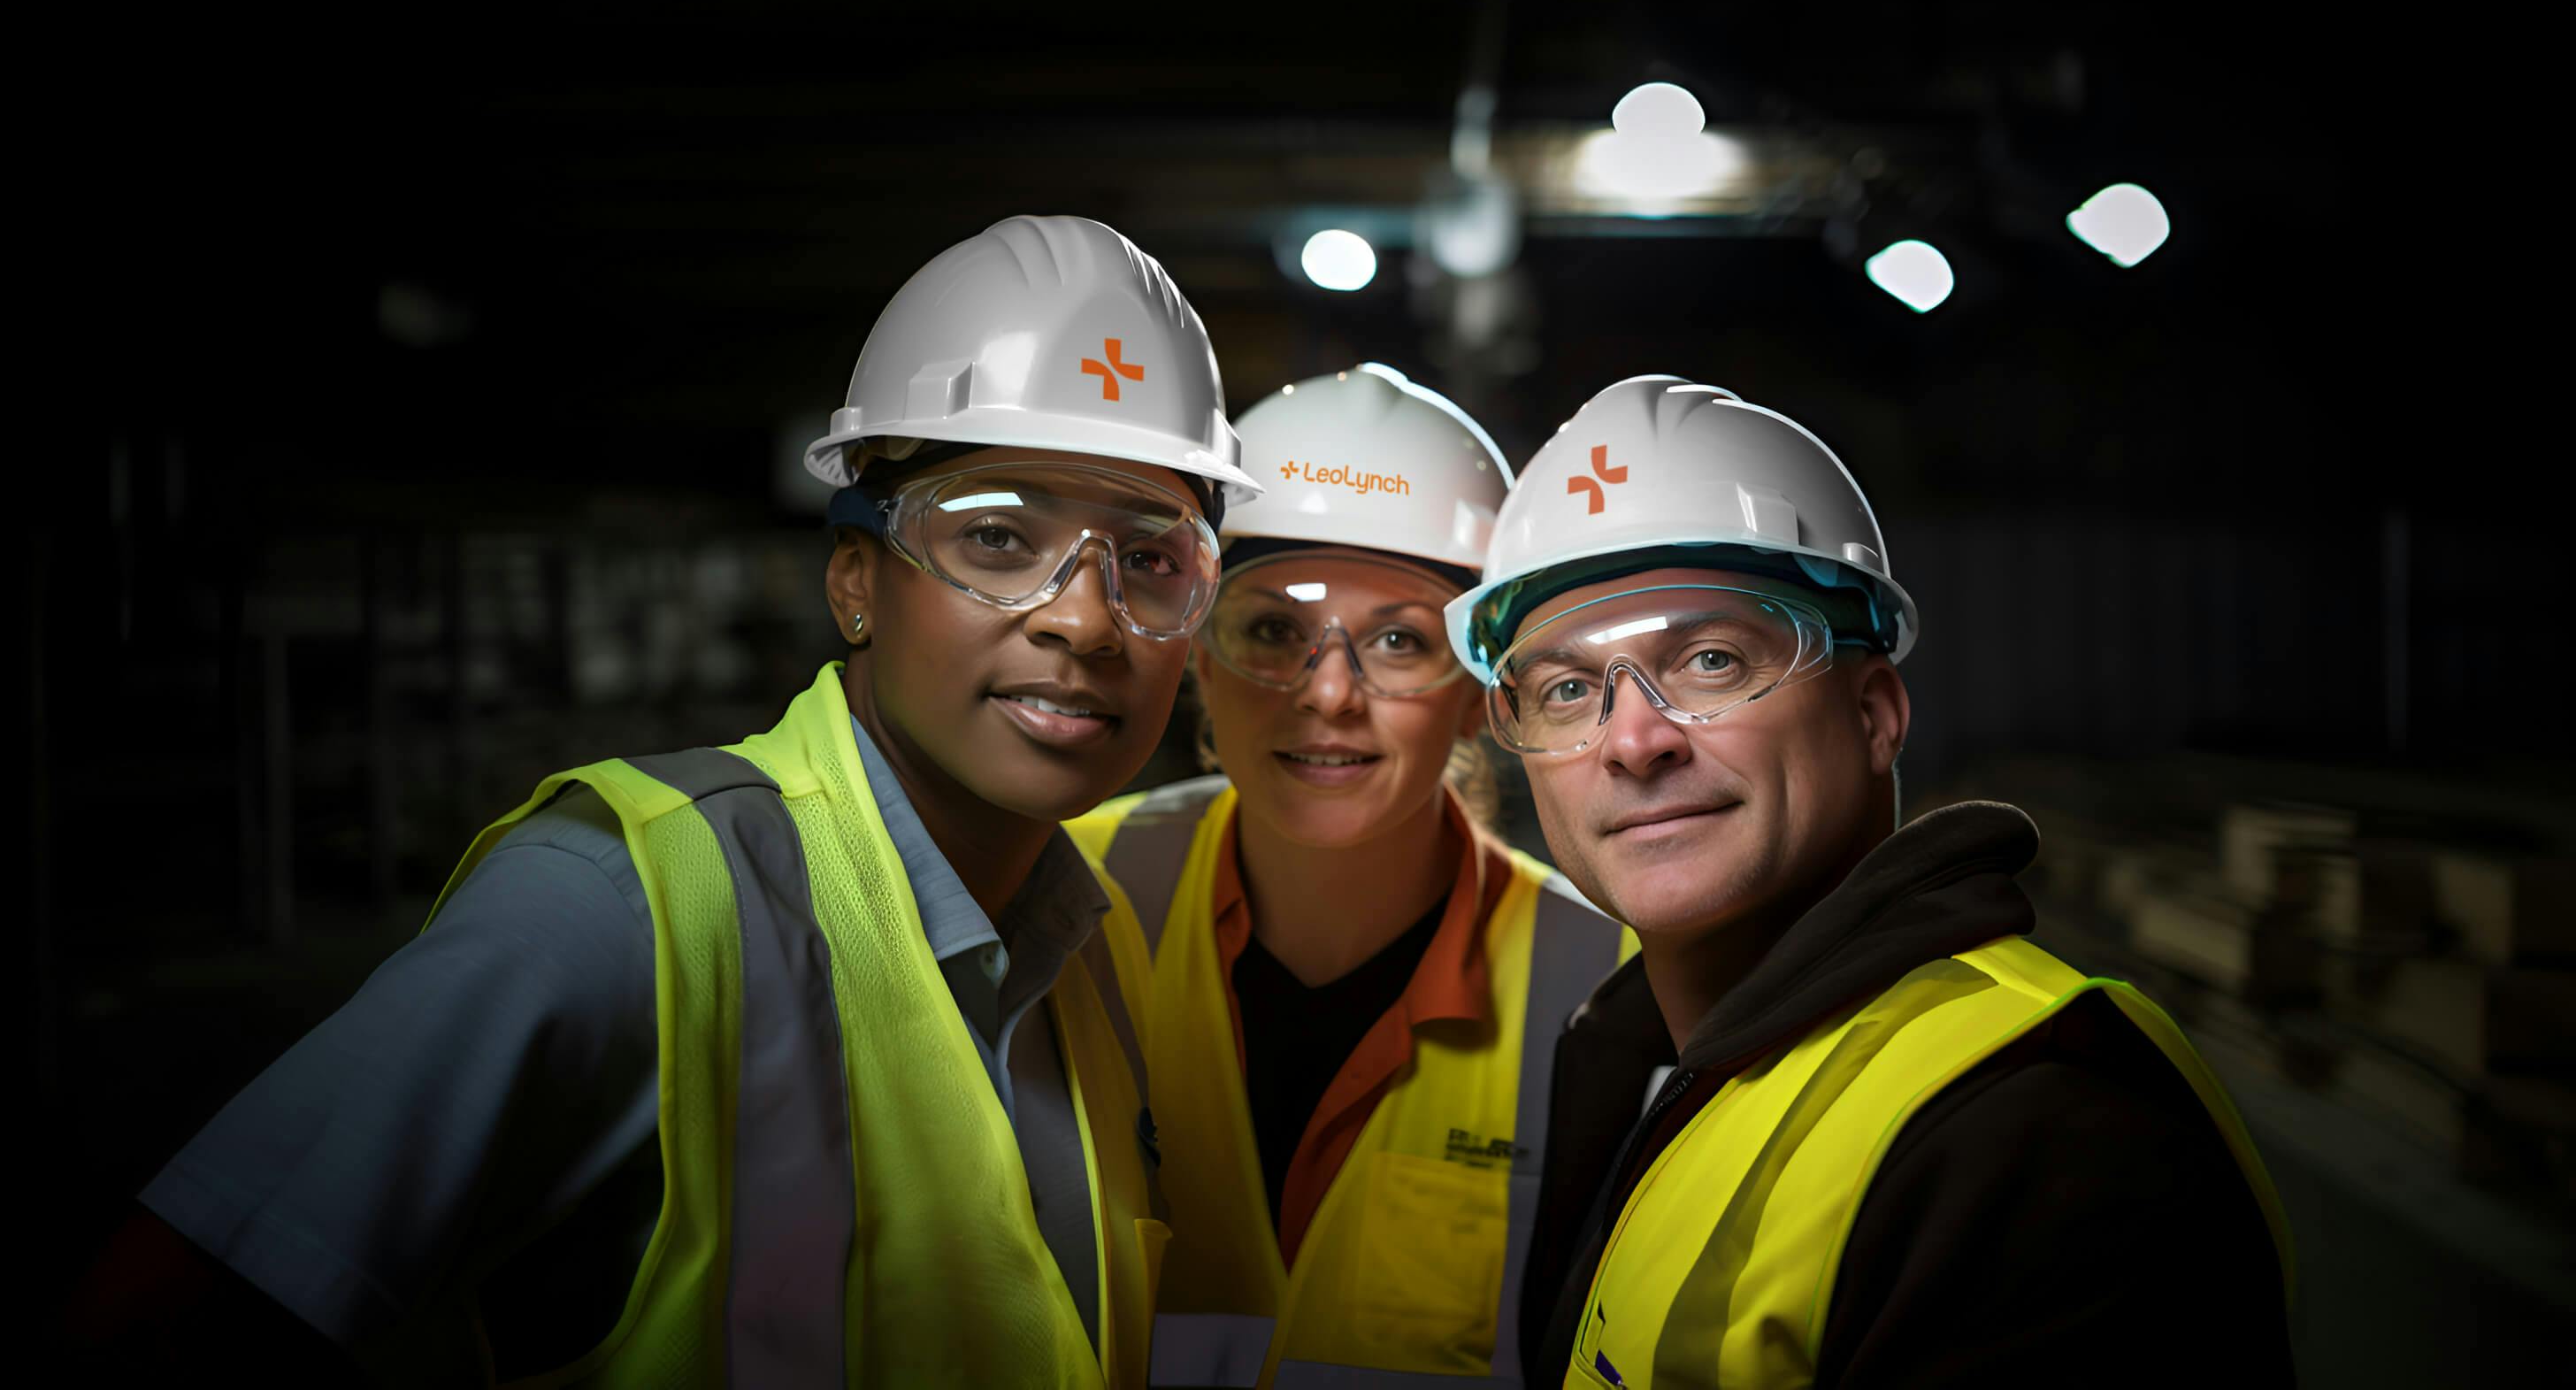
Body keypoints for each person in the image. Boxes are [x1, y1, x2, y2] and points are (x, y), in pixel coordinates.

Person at [67, 215, 1261, 1387]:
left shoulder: (1080, 951)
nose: (1086, 617)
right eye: (998, 539)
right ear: (856, 582)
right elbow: (174, 1315)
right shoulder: (628, 903)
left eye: (1154, 562)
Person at [1442, 376, 2296, 1388]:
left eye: (1711, 660)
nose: (1632, 740)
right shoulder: (1622, 1055)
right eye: (1567, 688)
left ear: (1874, 715)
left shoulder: (2037, 1132)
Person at [1067, 365, 1630, 1389]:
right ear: (1197, 652)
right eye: (1273, 629)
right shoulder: (1065, 903)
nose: (1328, 693)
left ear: (1476, 699)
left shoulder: (1603, 983)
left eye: (1399, 642)